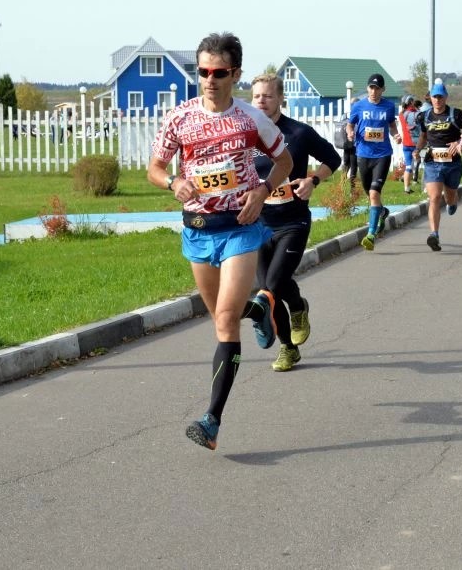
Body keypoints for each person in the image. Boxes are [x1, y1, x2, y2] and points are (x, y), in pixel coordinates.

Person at [147, 32, 293, 450]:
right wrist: (173, 180)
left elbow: (284, 160)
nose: (209, 79)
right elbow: (154, 168)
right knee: (221, 316)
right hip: (198, 230)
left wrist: (262, 191)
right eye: (203, 71)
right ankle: (259, 309)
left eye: (219, 72)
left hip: (240, 229)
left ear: (235, 74)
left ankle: (211, 420)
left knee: (225, 322)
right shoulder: (180, 118)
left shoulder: (251, 119)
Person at [250, 74, 340, 372]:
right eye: (256, 96)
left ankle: (297, 308)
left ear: (280, 100)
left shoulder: (298, 133)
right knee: (268, 285)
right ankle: (289, 346)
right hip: (259, 224)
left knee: (271, 288)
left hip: (293, 222)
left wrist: (313, 180)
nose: (261, 101)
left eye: (267, 96)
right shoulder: (247, 136)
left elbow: (332, 159)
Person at [347, 73, 399, 251]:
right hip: (363, 154)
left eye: (377, 88)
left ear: (383, 89)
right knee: (369, 193)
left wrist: (396, 135)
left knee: (374, 192)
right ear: (367, 88)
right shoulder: (358, 106)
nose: (374, 91)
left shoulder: (389, 107)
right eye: (371, 87)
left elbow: (392, 126)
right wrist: (350, 133)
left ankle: (370, 234)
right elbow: (350, 124)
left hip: (382, 155)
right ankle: (382, 212)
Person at [413, 82, 462, 251]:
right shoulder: (424, 116)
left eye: (440, 97)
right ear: (430, 98)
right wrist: (417, 149)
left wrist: (459, 142)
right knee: (435, 197)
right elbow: (423, 135)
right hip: (433, 162)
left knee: (450, 197)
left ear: (446, 97)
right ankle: (434, 234)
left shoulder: (457, 115)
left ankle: (452, 203)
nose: (437, 100)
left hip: (453, 163)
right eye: (435, 97)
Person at [397, 94, 422, 194]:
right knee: (421, 162)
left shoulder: (401, 114)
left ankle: (406, 188)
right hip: (416, 143)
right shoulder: (415, 113)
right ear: (411, 102)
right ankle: (420, 184)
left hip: (406, 143)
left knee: (408, 166)